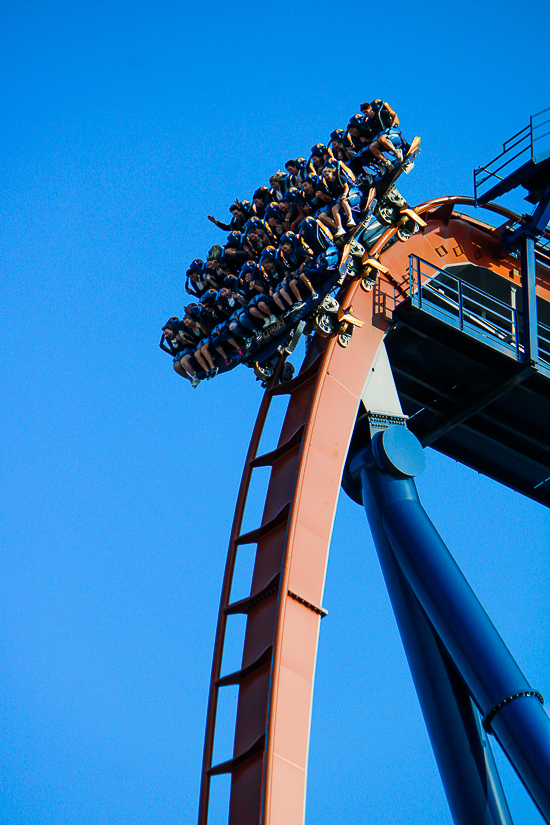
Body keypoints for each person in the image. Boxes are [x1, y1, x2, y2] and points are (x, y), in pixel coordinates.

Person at [360, 100, 404, 166]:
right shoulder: (369, 122)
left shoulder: (380, 113)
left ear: (370, 109)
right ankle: (386, 162)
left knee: (381, 138)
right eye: (364, 113)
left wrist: (391, 126)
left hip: (392, 134)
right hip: (382, 139)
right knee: (372, 146)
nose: (366, 114)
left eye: (366, 111)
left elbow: (394, 115)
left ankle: (397, 152)